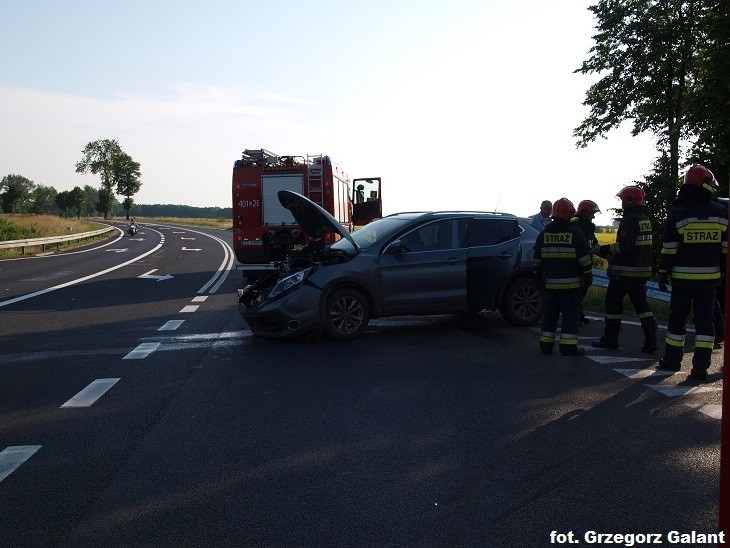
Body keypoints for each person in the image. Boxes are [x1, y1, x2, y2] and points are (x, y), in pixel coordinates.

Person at [656, 165, 728, 381]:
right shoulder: (721, 213)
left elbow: (669, 248)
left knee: (677, 320)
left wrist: (662, 272)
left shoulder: (678, 213)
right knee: (706, 321)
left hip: (682, 279)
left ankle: (671, 361)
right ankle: (700, 368)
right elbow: (725, 248)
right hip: (710, 280)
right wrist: (722, 271)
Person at [592, 186, 657, 352]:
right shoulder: (644, 218)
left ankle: (610, 338)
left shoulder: (629, 221)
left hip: (624, 272)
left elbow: (624, 247)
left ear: (628, 200)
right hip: (640, 271)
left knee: (613, 303)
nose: (621, 205)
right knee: (641, 306)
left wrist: (604, 250)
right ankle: (651, 341)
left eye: (622, 201)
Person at [533, 198, 593, 356]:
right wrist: (588, 276)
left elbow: (536, 260)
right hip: (571, 287)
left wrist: (538, 277)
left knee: (550, 315)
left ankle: (546, 345)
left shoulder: (544, 233)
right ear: (570, 213)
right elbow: (585, 259)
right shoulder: (575, 232)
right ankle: (568, 347)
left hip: (551, 286)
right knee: (570, 316)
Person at [574, 200, 601, 324]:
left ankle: (578, 314)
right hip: (576, 267)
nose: (594, 216)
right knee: (576, 293)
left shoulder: (588, 228)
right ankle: (574, 317)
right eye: (592, 213)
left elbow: (594, 244)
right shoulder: (577, 228)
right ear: (586, 213)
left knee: (581, 292)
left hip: (585, 266)